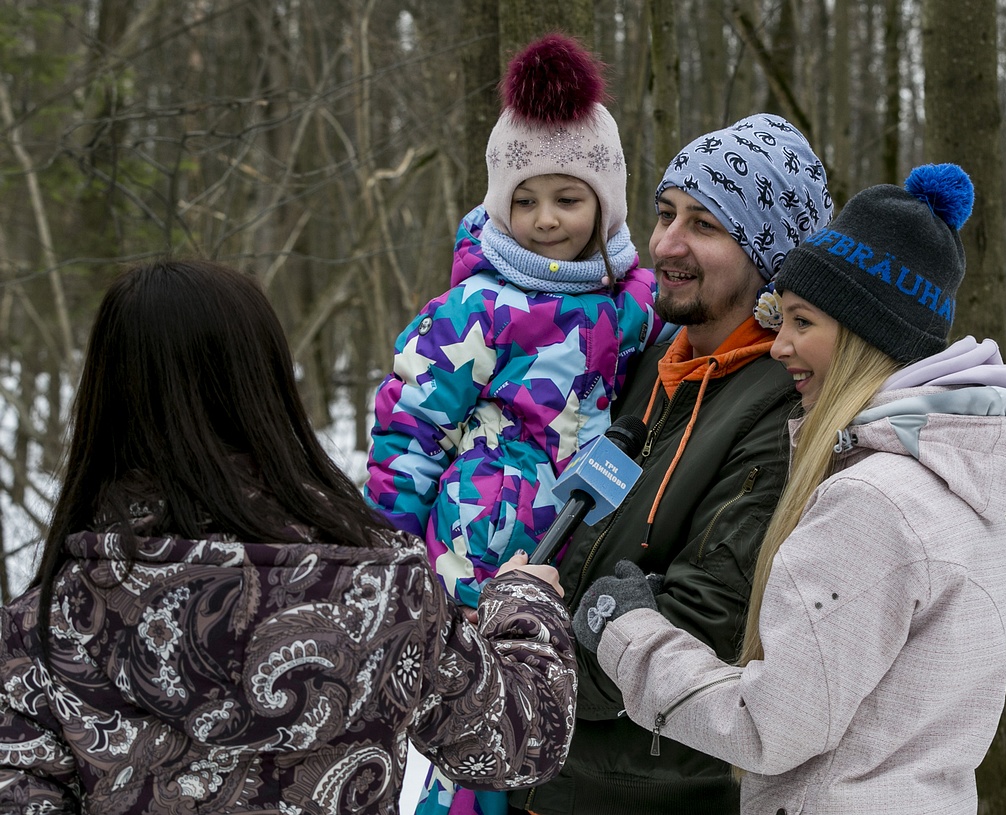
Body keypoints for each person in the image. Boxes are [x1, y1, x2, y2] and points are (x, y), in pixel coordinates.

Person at [0, 259, 577, 814]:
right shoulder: (381, 585)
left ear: (106, 396)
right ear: (264, 385)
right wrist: (526, 605)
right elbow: (520, 742)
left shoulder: (48, 621)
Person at [572, 165, 1006, 814]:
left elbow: (771, 723)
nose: (780, 345)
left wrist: (626, 631)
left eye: (801, 322)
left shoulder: (873, 502)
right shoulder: (962, 484)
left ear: (863, 336)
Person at [511, 113, 833, 815]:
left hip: (654, 792)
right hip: (562, 778)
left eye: (705, 225)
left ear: (768, 252)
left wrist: (519, 678)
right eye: (664, 214)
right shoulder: (658, 361)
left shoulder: (782, 408)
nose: (667, 244)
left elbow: (701, 621)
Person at [364, 33, 667, 618]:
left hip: (586, 552)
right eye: (525, 202)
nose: (546, 220)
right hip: (474, 553)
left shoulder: (639, 301)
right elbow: (411, 432)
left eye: (568, 199)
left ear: (605, 204)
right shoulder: (477, 309)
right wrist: (390, 558)